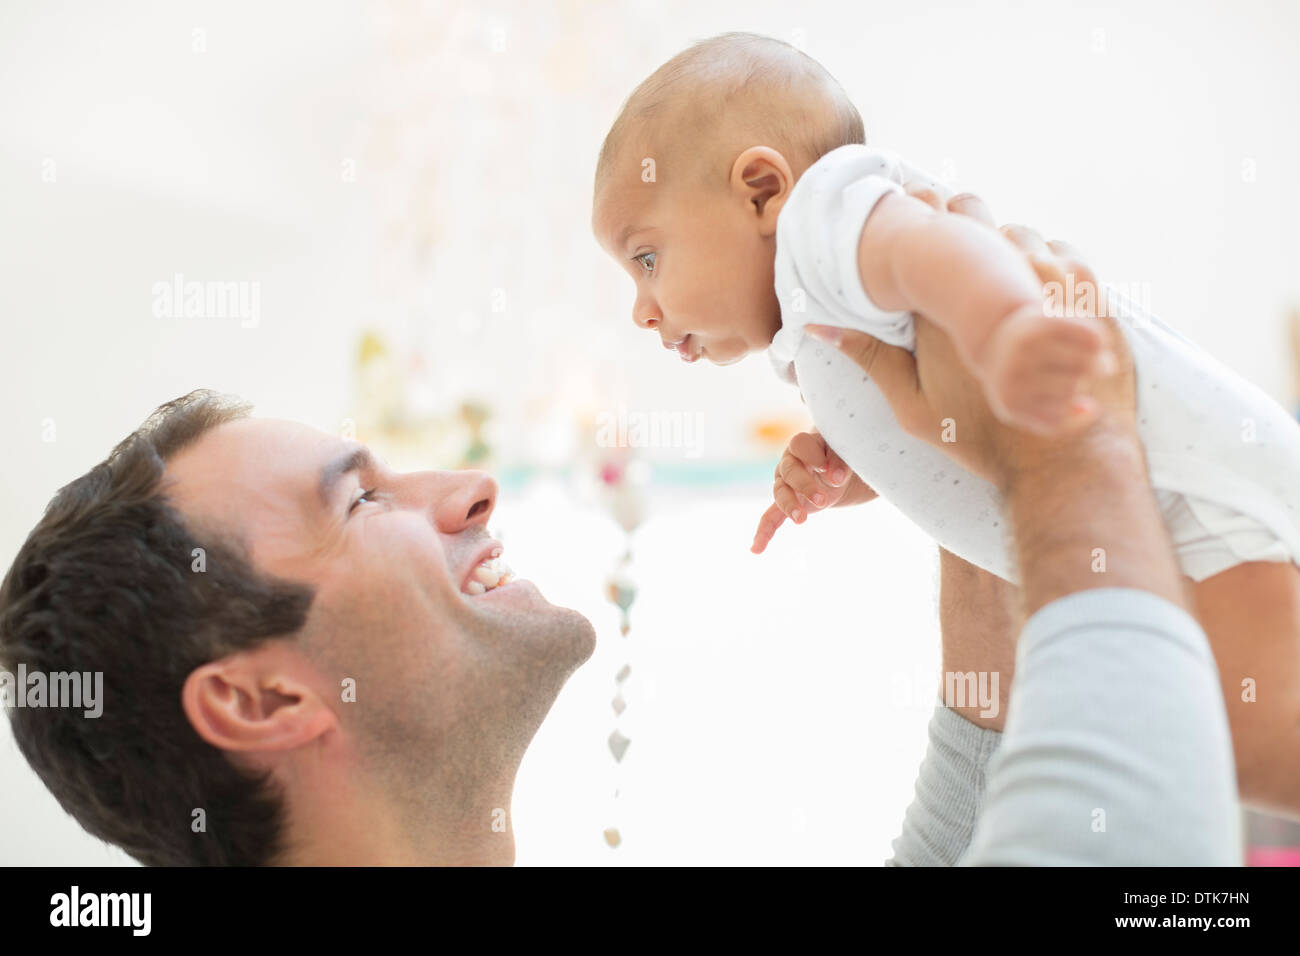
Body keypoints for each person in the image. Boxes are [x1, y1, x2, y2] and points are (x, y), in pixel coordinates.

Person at [590, 31, 1300, 817]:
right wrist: (867, 460)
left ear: (761, 190)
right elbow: (948, 424)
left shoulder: (820, 223)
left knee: (1253, 745)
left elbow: (938, 250)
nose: (641, 308)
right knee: (1212, 744)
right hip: (1153, 512)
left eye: (647, 258)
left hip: (1192, 487)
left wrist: (1006, 330)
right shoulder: (812, 322)